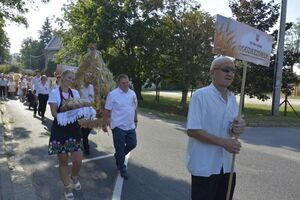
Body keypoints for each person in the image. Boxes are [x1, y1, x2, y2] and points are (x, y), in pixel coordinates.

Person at [186, 57, 246, 200]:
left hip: (227, 167)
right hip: (205, 167)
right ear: (212, 72)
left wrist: (237, 128)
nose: (230, 73)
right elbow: (192, 130)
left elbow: (230, 129)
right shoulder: (200, 95)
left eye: (233, 70)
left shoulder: (232, 99)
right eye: (225, 69)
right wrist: (224, 142)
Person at [48, 70, 83, 200]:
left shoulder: (75, 93)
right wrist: (62, 118)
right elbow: (53, 112)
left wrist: (85, 114)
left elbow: (79, 108)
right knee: (63, 161)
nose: (71, 80)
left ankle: (74, 176)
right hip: (60, 130)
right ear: (62, 77)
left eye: (73, 79)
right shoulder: (54, 93)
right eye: (69, 77)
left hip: (74, 129)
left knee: (78, 160)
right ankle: (67, 187)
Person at [102, 74, 138, 180]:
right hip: (118, 126)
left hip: (130, 125)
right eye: (123, 83)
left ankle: (118, 156)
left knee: (132, 144)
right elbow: (107, 110)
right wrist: (104, 124)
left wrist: (136, 120)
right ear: (118, 83)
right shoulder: (113, 95)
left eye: (127, 82)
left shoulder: (132, 93)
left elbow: (135, 107)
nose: (126, 85)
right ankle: (122, 168)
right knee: (120, 148)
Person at [79, 74, 94, 155]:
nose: (89, 79)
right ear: (84, 78)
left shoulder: (92, 88)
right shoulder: (79, 88)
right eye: (88, 77)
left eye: (91, 78)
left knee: (89, 128)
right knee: (84, 130)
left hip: (91, 111)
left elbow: (94, 98)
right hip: (81, 111)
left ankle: (83, 139)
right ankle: (86, 146)